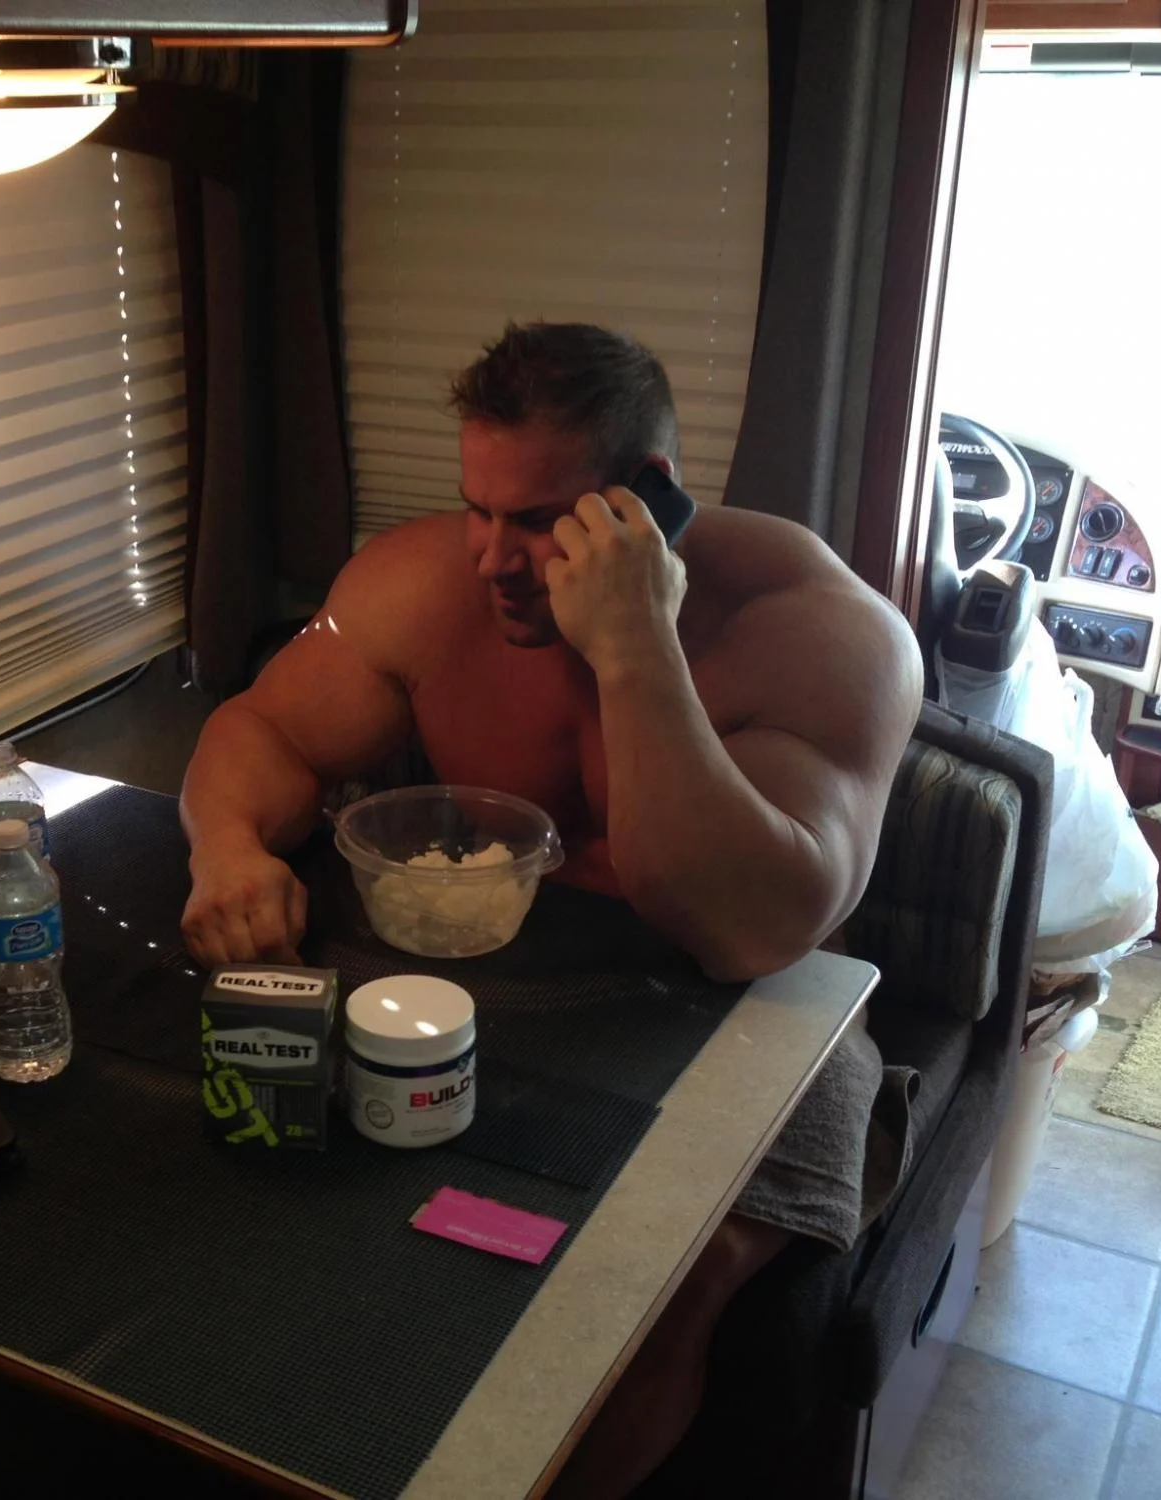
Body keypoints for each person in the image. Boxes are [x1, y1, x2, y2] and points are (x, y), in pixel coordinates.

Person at [178, 321, 923, 1494]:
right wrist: (225, 849)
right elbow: (260, 727)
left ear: (648, 496)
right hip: (501, 965)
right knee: (290, 1179)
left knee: (665, 1281)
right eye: (476, 508)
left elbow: (742, 931)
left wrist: (634, 651)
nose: (491, 558)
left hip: (760, 1016)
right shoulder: (424, 587)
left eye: (533, 521)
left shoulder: (819, 630)